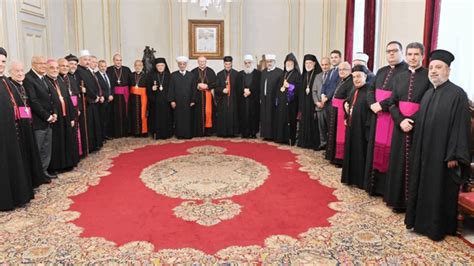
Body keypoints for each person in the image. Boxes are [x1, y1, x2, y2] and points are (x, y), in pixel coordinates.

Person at [405, 49, 470, 241]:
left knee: (438, 189)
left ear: (448, 71)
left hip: (443, 156)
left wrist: (454, 155)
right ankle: (418, 222)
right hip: (424, 153)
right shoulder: (427, 94)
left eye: (438, 67)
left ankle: (436, 227)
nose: (433, 71)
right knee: (421, 185)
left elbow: (460, 127)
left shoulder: (457, 94)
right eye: (431, 67)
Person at [384, 42, 430, 212]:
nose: (412, 58)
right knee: (397, 162)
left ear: (423, 56)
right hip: (399, 126)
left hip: (418, 127)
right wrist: (401, 120)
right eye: (410, 54)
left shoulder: (428, 76)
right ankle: (397, 201)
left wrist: (412, 121)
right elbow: (392, 103)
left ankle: (412, 203)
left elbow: (428, 103)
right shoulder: (399, 77)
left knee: (415, 163)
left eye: (416, 54)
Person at [364, 41, 408, 196]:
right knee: (375, 149)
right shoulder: (381, 71)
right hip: (377, 115)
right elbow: (370, 89)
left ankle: (386, 190)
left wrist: (381, 105)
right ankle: (374, 187)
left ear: (401, 52)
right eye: (388, 51)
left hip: (392, 117)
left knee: (390, 153)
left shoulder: (406, 72)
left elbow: (397, 96)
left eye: (395, 51)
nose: (391, 54)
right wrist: (371, 104)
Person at [0, 47, 35, 211]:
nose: (1, 64)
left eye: (3, 61)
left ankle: (19, 195)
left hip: (14, 132)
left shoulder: (6, 81)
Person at [7, 61, 51, 186]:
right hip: (19, 127)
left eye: (22, 70)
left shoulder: (23, 85)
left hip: (30, 123)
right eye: (17, 71)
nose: (20, 73)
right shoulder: (10, 85)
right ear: (10, 72)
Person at [24, 55, 58, 179]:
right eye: (40, 63)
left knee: (46, 149)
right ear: (33, 64)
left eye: (44, 63)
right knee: (38, 150)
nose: (43, 66)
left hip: (48, 120)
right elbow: (33, 102)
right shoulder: (28, 79)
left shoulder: (44, 79)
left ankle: (44, 172)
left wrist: (54, 113)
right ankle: (37, 176)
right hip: (39, 122)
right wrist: (47, 116)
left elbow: (51, 98)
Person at [44, 59, 78, 172]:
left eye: (56, 68)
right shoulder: (45, 81)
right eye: (52, 68)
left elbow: (68, 100)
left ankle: (68, 163)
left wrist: (72, 117)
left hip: (66, 116)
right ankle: (57, 166)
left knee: (67, 139)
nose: (55, 70)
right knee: (57, 142)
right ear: (46, 69)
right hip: (56, 117)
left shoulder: (60, 80)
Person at [341, 65, 370, 188]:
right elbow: (347, 102)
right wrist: (345, 108)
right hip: (352, 126)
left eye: (359, 76)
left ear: (365, 77)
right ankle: (350, 178)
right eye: (354, 77)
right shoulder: (354, 89)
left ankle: (359, 181)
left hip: (362, 129)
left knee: (360, 153)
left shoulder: (369, 91)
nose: (356, 79)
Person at [75, 50, 103, 152]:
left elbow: (94, 85)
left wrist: (97, 96)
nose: (87, 62)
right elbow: (84, 87)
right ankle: (89, 146)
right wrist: (93, 96)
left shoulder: (88, 70)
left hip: (94, 101)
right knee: (89, 125)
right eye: (85, 60)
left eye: (88, 60)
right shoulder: (78, 71)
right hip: (87, 102)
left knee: (95, 123)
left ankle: (96, 144)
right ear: (80, 60)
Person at [325, 61, 353, 165]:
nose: (341, 71)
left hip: (342, 111)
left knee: (340, 135)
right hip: (335, 110)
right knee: (333, 133)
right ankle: (332, 156)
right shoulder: (342, 80)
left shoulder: (351, 82)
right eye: (340, 70)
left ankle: (339, 158)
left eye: (344, 69)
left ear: (349, 70)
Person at [274, 53, 301, 145]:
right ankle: (281, 138)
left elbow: (298, 88)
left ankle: (290, 139)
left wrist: (289, 86)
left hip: (291, 103)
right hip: (281, 102)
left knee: (290, 120)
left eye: (290, 62)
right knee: (280, 119)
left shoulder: (297, 75)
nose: (288, 64)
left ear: (294, 64)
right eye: (287, 62)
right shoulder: (283, 74)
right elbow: (278, 88)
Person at [297, 54, 322, 149]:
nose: (308, 65)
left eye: (310, 63)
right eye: (306, 63)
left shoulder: (318, 75)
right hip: (304, 104)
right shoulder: (303, 75)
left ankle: (313, 143)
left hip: (313, 103)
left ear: (314, 63)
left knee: (313, 122)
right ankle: (303, 142)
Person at [168, 56, 196, 139]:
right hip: (177, 102)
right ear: (178, 65)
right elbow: (171, 89)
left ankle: (188, 135)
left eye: (184, 64)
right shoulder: (173, 75)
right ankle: (179, 135)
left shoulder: (191, 75)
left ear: (186, 65)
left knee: (188, 119)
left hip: (188, 102)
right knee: (178, 118)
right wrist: (172, 100)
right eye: (180, 64)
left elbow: (194, 89)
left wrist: (193, 100)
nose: (182, 65)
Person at [147, 57, 173, 139]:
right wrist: (151, 89)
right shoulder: (151, 76)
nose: (160, 67)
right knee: (156, 117)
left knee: (167, 117)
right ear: (156, 66)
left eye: (162, 65)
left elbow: (172, 88)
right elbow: (147, 89)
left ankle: (167, 134)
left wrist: (171, 99)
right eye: (158, 66)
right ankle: (156, 133)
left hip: (166, 101)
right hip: (155, 102)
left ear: (165, 66)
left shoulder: (169, 76)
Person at [106, 53, 132, 138]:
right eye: (117, 60)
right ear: (113, 61)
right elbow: (107, 84)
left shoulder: (126, 69)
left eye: (120, 60)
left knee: (125, 113)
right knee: (115, 114)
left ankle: (126, 132)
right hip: (115, 95)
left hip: (125, 95)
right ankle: (115, 133)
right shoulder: (109, 70)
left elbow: (131, 82)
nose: (119, 62)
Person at [191, 56, 217, 137]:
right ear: (198, 62)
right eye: (200, 61)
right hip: (197, 96)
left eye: (203, 61)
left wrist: (207, 86)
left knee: (208, 113)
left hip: (208, 95)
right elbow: (190, 84)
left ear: (206, 62)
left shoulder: (211, 71)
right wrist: (198, 85)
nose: (202, 63)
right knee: (197, 114)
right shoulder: (193, 72)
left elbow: (215, 83)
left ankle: (208, 131)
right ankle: (198, 132)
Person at [215, 56, 241, 137]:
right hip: (223, 100)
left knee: (233, 115)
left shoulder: (237, 74)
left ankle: (233, 132)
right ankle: (223, 132)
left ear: (232, 63)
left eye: (229, 64)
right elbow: (216, 88)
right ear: (224, 64)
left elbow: (239, 88)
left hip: (233, 99)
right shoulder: (219, 74)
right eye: (226, 64)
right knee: (223, 115)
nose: (228, 66)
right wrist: (222, 90)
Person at [239, 54, 261, 138]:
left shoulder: (258, 74)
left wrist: (250, 91)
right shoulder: (240, 74)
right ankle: (244, 133)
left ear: (252, 63)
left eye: (249, 63)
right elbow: (237, 86)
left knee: (253, 115)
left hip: (253, 99)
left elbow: (259, 86)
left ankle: (253, 132)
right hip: (243, 98)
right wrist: (243, 90)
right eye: (246, 63)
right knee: (244, 115)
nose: (247, 64)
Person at [313, 57, 331, 149]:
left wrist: (325, 100)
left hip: (329, 106)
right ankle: (323, 143)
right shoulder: (318, 76)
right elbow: (314, 91)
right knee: (321, 127)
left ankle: (330, 146)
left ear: (330, 65)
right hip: (319, 106)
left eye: (326, 64)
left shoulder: (333, 75)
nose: (324, 66)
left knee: (330, 127)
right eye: (323, 65)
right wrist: (317, 102)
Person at [129, 60, 148, 136]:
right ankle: (135, 132)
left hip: (143, 97)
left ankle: (143, 132)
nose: (138, 67)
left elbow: (148, 88)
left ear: (142, 66)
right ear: (134, 66)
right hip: (133, 98)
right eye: (136, 65)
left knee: (143, 114)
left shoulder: (146, 75)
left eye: (139, 65)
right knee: (134, 114)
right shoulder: (131, 75)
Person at [95, 60, 113, 140]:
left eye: (104, 66)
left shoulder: (108, 75)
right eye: (101, 66)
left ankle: (106, 134)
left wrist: (111, 95)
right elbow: (98, 89)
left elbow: (111, 87)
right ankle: (102, 136)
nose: (103, 68)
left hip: (109, 101)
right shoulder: (96, 76)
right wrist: (106, 96)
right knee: (101, 119)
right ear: (98, 66)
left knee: (108, 118)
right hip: (102, 101)